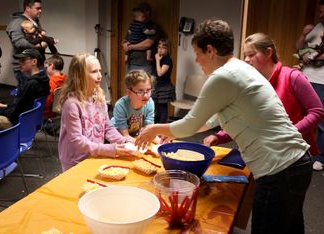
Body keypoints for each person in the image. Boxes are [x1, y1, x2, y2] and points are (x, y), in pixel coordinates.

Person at [135, 18, 312, 234]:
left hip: (279, 169)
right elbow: (209, 121)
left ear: (210, 50)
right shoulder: (239, 69)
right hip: (297, 164)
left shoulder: (223, 77)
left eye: (198, 54)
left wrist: (155, 129)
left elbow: (190, 124)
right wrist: (172, 131)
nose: (198, 61)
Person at [204, 32, 324, 156]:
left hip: (294, 154)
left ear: (268, 52)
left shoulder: (293, 77)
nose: (246, 59)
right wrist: (220, 136)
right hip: (264, 153)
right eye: (245, 55)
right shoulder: (250, 83)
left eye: (251, 54)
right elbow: (245, 120)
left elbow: (317, 111)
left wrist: (289, 133)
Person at [58, 53, 133, 171]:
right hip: (75, 161)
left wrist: (124, 142)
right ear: (79, 75)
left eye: (100, 70)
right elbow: (77, 140)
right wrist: (110, 149)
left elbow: (107, 127)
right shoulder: (72, 104)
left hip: (94, 155)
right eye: (94, 72)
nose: (99, 76)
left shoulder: (99, 96)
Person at [0, 48, 50, 139]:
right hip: (24, 119)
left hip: (16, 122)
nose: (19, 62)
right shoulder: (42, 80)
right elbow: (22, 105)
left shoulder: (32, 84)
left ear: (34, 61)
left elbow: (16, 112)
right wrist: (4, 106)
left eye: (23, 60)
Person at [296, 0, 324, 171]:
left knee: (320, 121)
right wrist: (303, 34)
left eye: (323, 12)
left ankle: (320, 156)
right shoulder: (316, 27)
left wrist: (311, 57)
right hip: (305, 78)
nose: (320, 15)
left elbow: (307, 55)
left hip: (322, 80)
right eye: (320, 11)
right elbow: (299, 48)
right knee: (301, 115)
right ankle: (301, 149)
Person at [6, 0, 47, 95]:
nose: (40, 11)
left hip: (36, 64)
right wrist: (38, 46)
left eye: (41, 8)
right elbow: (19, 42)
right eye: (37, 8)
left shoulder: (34, 21)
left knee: (36, 95)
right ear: (28, 8)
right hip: (25, 67)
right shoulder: (16, 22)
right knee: (26, 98)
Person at [111, 70, 155, 143]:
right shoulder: (120, 105)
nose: (146, 95)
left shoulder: (150, 102)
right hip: (118, 137)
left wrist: (160, 141)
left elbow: (148, 130)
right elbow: (125, 136)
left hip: (134, 135)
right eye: (140, 91)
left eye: (148, 90)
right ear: (129, 92)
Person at [122, 2, 161, 75]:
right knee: (131, 85)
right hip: (131, 63)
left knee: (145, 85)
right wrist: (124, 44)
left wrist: (131, 47)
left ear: (147, 12)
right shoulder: (134, 25)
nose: (138, 16)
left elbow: (148, 44)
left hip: (144, 64)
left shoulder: (153, 27)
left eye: (141, 12)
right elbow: (125, 39)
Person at [152, 38, 176, 123]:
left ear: (168, 49)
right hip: (157, 86)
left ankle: (161, 128)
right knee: (156, 109)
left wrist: (157, 60)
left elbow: (160, 73)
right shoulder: (160, 59)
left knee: (162, 109)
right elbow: (155, 74)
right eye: (159, 47)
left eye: (163, 47)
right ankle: (156, 127)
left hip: (164, 88)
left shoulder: (167, 60)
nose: (160, 49)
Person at [44, 54, 66, 119]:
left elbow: (47, 103)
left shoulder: (52, 83)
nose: (45, 69)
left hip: (50, 114)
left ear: (52, 66)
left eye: (47, 67)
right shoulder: (66, 79)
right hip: (63, 109)